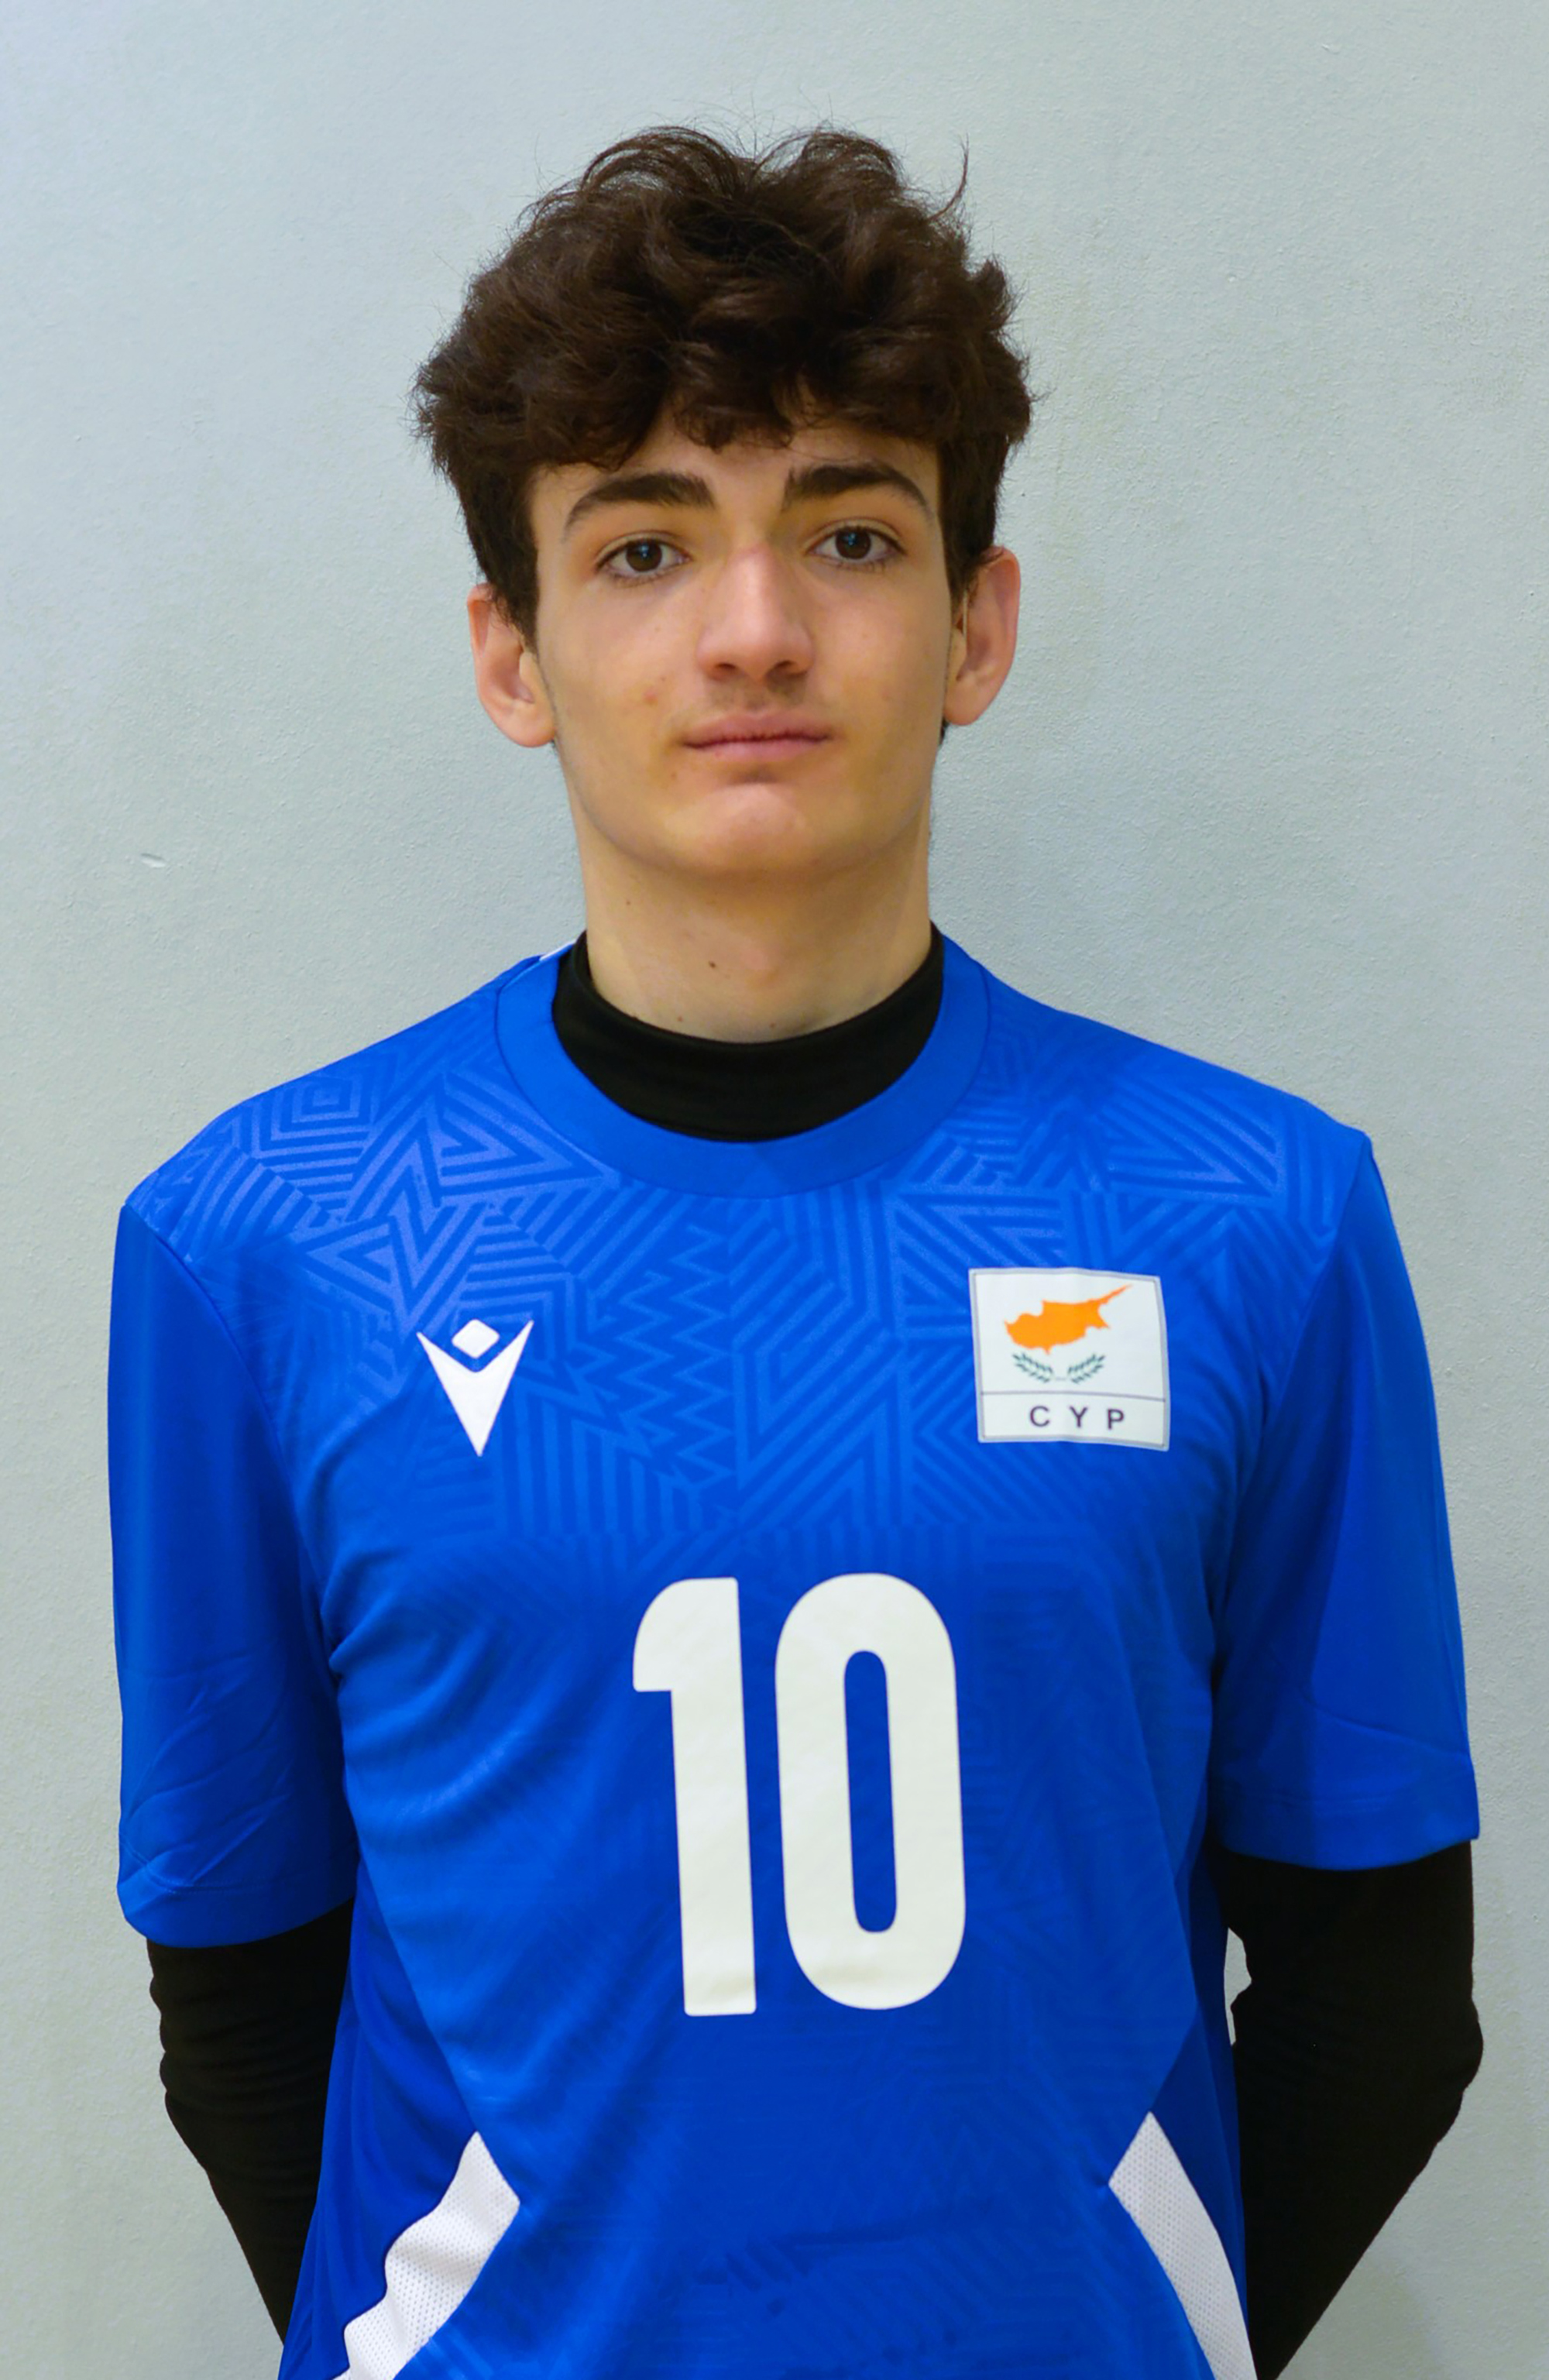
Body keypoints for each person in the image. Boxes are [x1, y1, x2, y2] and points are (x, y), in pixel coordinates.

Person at [109, 126, 1482, 2380]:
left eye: (851, 531)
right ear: (512, 652)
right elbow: (243, 1987)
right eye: (643, 544)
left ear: (977, 624)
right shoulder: (264, 1241)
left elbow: (1382, 1996)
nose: (753, 627)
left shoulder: (1255, 1216)